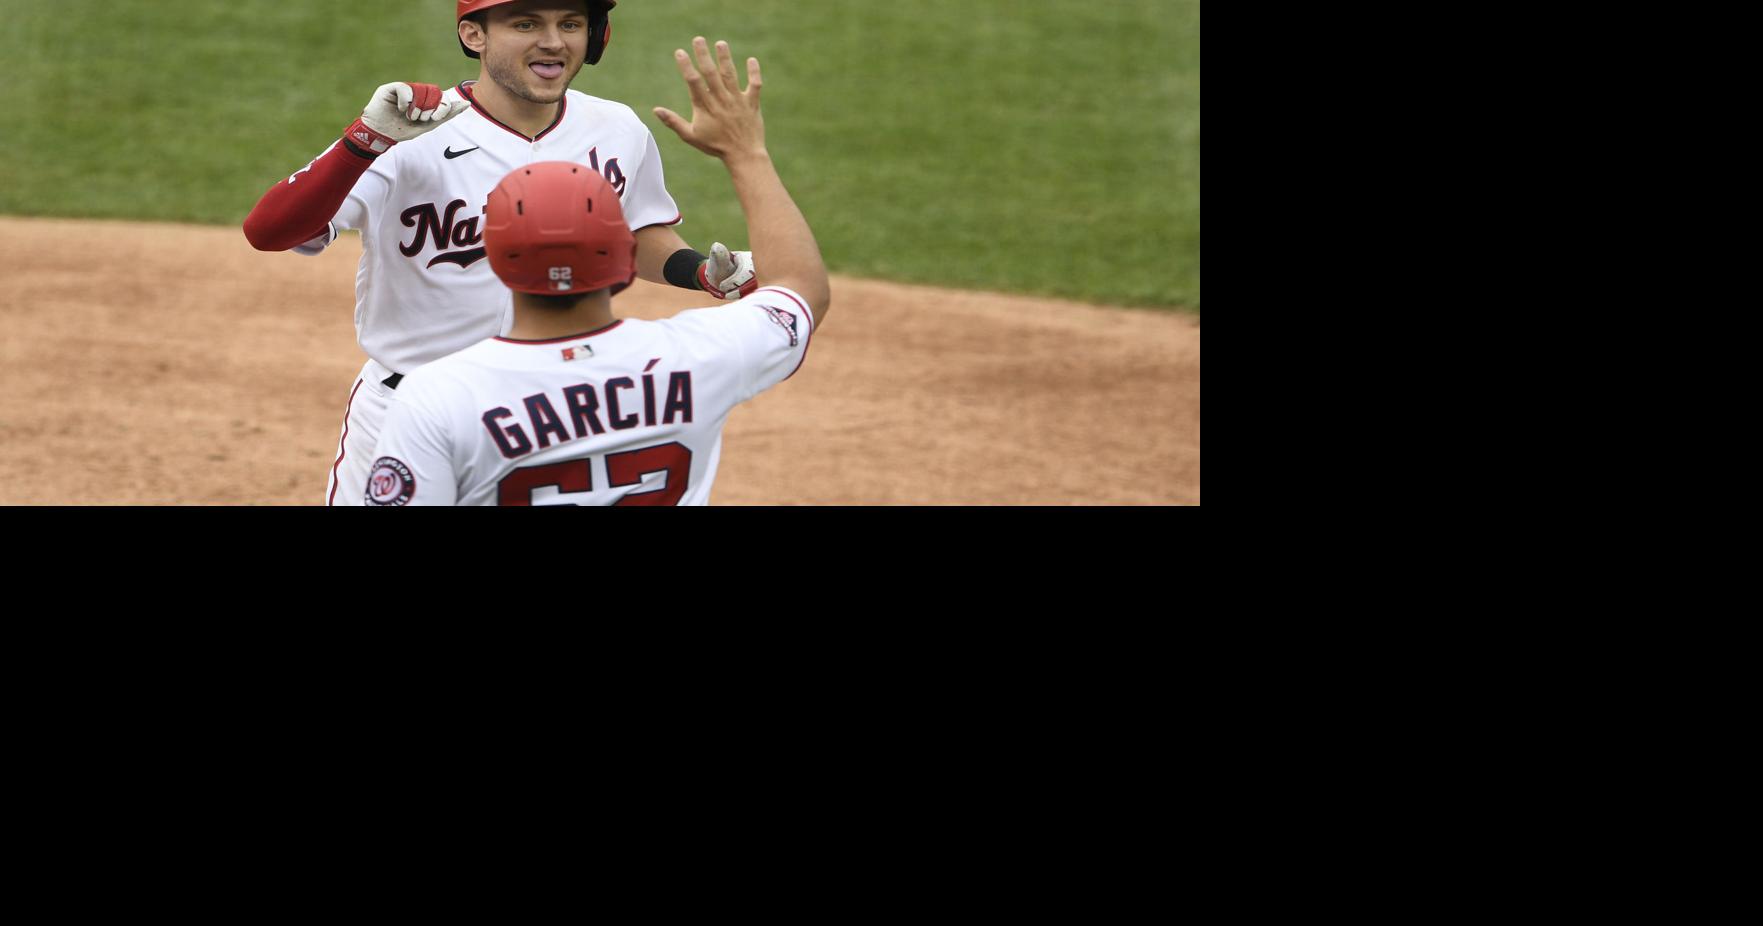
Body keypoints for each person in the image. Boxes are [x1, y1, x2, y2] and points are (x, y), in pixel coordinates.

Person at [242, 0, 758, 505]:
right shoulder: (411, 131)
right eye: (526, 22)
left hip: (546, 409)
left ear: (596, 36)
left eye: (571, 22)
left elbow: (635, 230)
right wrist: (364, 142)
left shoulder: (617, 128)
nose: (554, 41)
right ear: (474, 36)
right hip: (408, 405)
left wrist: (698, 273)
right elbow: (270, 231)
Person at [363, 37, 829, 506]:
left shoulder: (438, 401)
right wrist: (746, 152)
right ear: (623, 265)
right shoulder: (695, 360)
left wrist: (699, 271)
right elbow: (801, 289)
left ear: (495, 260)